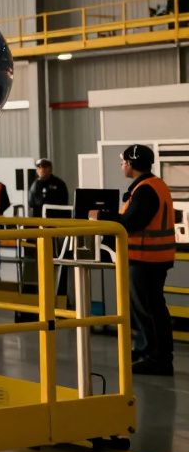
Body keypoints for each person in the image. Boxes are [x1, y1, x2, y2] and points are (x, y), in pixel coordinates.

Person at [90, 145, 175, 375]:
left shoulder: (146, 189)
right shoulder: (149, 185)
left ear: (131, 163)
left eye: (123, 161)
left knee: (148, 308)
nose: (121, 165)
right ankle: (146, 350)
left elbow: (132, 221)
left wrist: (101, 216)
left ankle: (157, 358)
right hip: (149, 257)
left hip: (147, 258)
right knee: (146, 307)